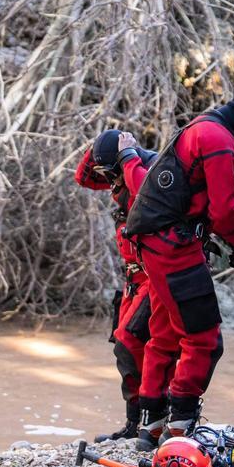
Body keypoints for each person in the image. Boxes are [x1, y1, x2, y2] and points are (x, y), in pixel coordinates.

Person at [118, 83, 234, 451]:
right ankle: (180, 430)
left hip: (152, 247)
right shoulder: (221, 140)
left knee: (165, 335)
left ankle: (150, 426)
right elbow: (223, 211)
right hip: (175, 249)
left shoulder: (200, 127)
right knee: (204, 339)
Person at [74, 129, 162, 442]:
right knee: (123, 347)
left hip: (154, 277)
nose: (107, 179)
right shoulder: (118, 177)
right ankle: (133, 423)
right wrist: (98, 145)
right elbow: (83, 178)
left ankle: (152, 421)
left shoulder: (143, 173)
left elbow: (146, 199)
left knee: (131, 343)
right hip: (132, 280)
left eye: (109, 171)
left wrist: (127, 157)